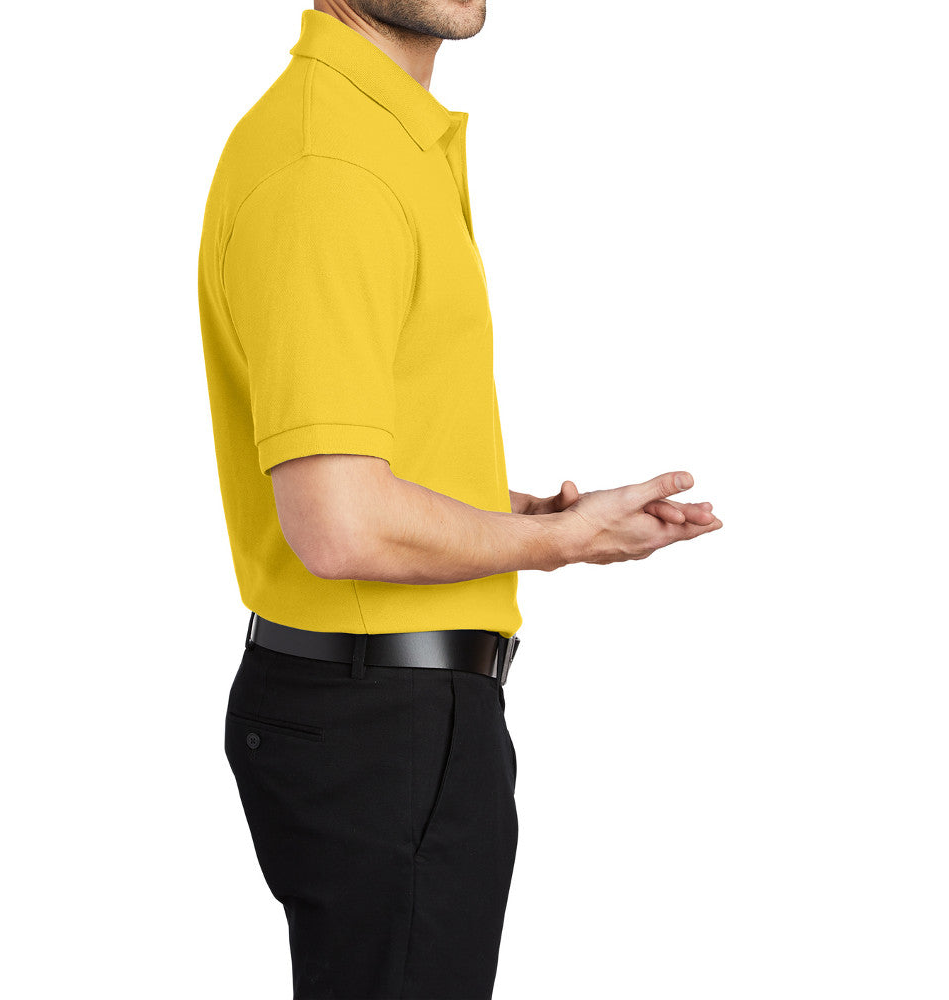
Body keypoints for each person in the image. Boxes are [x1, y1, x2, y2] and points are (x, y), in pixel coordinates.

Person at [197, 3, 723, 997]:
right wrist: (557, 545)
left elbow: (370, 468)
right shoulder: (331, 164)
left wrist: (528, 516)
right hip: (382, 723)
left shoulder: (373, 136)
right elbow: (340, 524)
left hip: (384, 715)